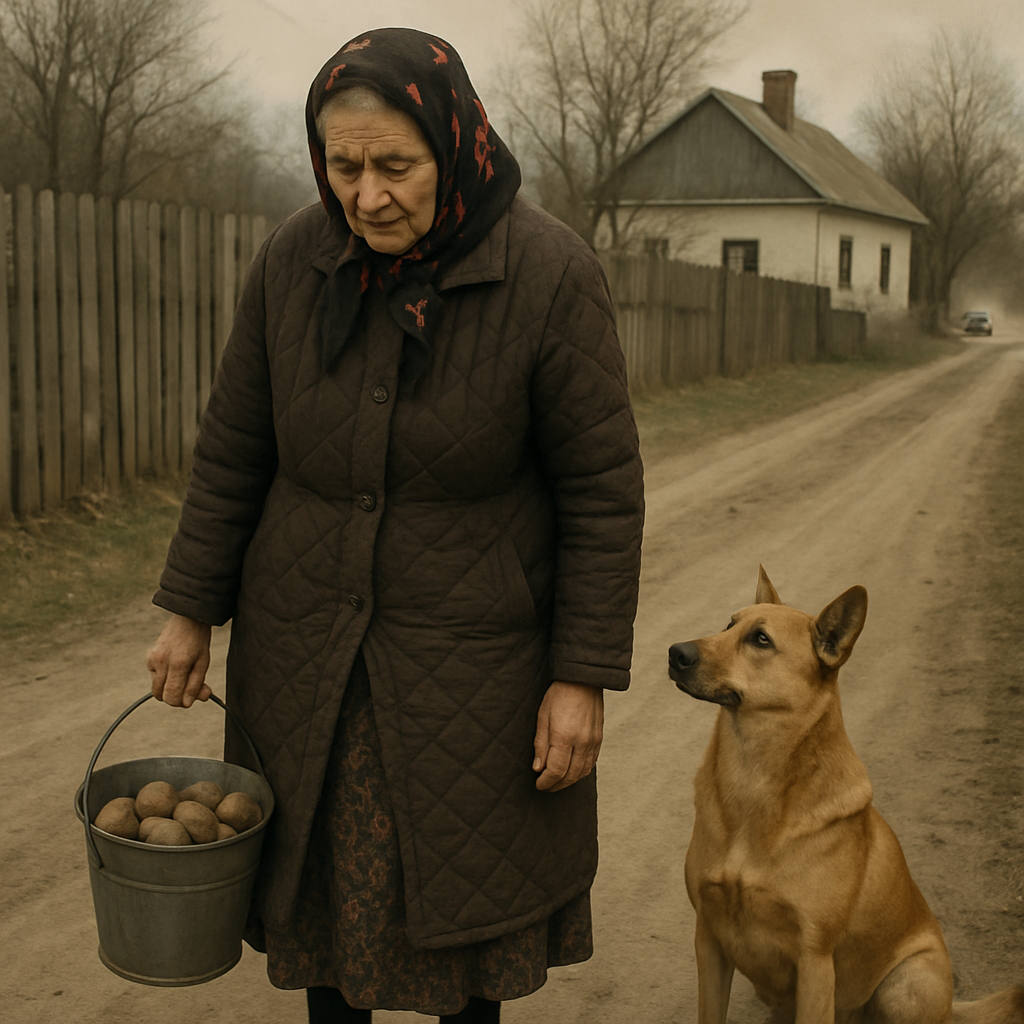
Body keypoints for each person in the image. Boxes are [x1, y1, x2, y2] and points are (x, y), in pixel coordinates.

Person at [147, 27, 644, 1024]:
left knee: (464, 936)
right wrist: (189, 608)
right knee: (324, 926)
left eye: (394, 166)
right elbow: (235, 447)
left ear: (453, 146)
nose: (366, 194)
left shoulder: (547, 274)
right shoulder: (295, 260)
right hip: (305, 656)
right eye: (343, 166)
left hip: (473, 670)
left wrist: (578, 674)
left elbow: (601, 491)